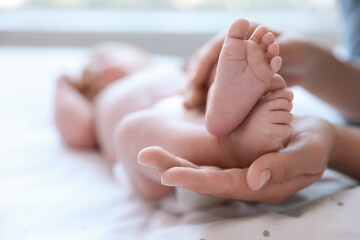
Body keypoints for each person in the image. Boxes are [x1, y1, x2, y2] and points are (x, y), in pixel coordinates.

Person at [138, 0, 360, 204]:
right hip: (187, 106)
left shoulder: (135, 76)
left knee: (137, 129)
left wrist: (338, 143)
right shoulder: (114, 90)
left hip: (185, 106)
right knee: (137, 128)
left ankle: (232, 120)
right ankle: (233, 131)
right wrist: (315, 64)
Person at [55, 19, 294, 200]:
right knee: (131, 130)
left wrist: (206, 73)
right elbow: (77, 131)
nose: (97, 65)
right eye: (92, 62)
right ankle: (230, 147)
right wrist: (63, 85)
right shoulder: (98, 105)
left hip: (200, 113)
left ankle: (239, 109)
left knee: (207, 82)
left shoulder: (169, 70)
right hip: (157, 162)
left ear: (143, 59)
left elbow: (195, 69)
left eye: (105, 55)